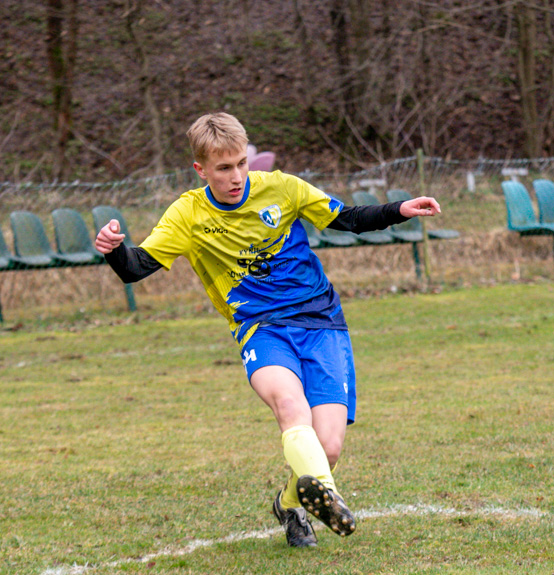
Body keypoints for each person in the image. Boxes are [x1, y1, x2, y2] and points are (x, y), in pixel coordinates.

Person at [94, 112, 442, 548]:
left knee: (329, 447)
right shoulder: (188, 214)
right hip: (261, 329)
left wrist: (399, 209)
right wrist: (113, 250)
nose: (237, 175)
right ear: (201, 170)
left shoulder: (282, 187)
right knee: (290, 408)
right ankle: (328, 496)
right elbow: (135, 267)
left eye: (242, 163)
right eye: (224, 168)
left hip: (322, 323)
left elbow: (346, 217)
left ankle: (290, 504)